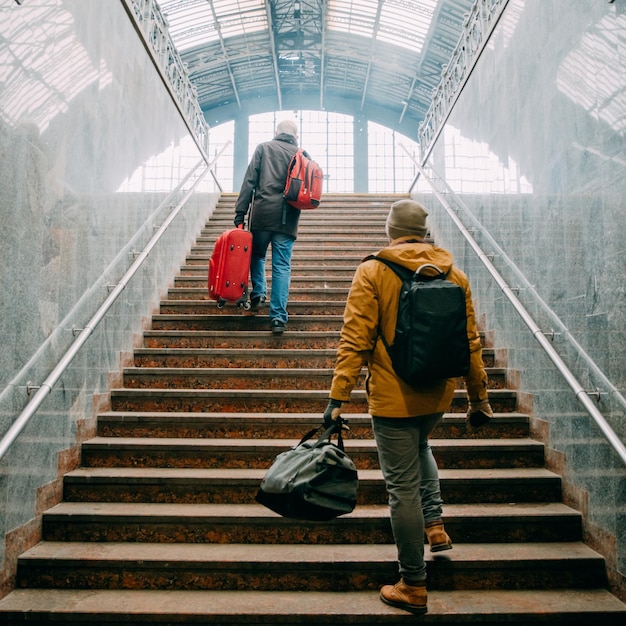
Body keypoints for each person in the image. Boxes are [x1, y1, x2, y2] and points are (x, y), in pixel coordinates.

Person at [323, 199, 492, 615]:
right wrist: (479, 398)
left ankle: (413, 583)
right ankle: (434, 526)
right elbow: (471, 343)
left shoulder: (373, 271)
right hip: (437, 393)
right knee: (421, 448)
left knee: (401, 490)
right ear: (423, 231)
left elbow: (355, 338)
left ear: (391, 229)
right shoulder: (454, 273)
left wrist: (337, 397)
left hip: (394, 395)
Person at [234, 119, 307, 334]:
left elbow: (249, 182)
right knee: (282, 266)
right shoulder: (301, 153)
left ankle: (258, 292)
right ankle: (277, 318)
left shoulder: (264, 148)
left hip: (263, 214)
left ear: (276, 132)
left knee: (256, 255)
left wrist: (240, 212)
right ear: (296, 135)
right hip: (288, 217)